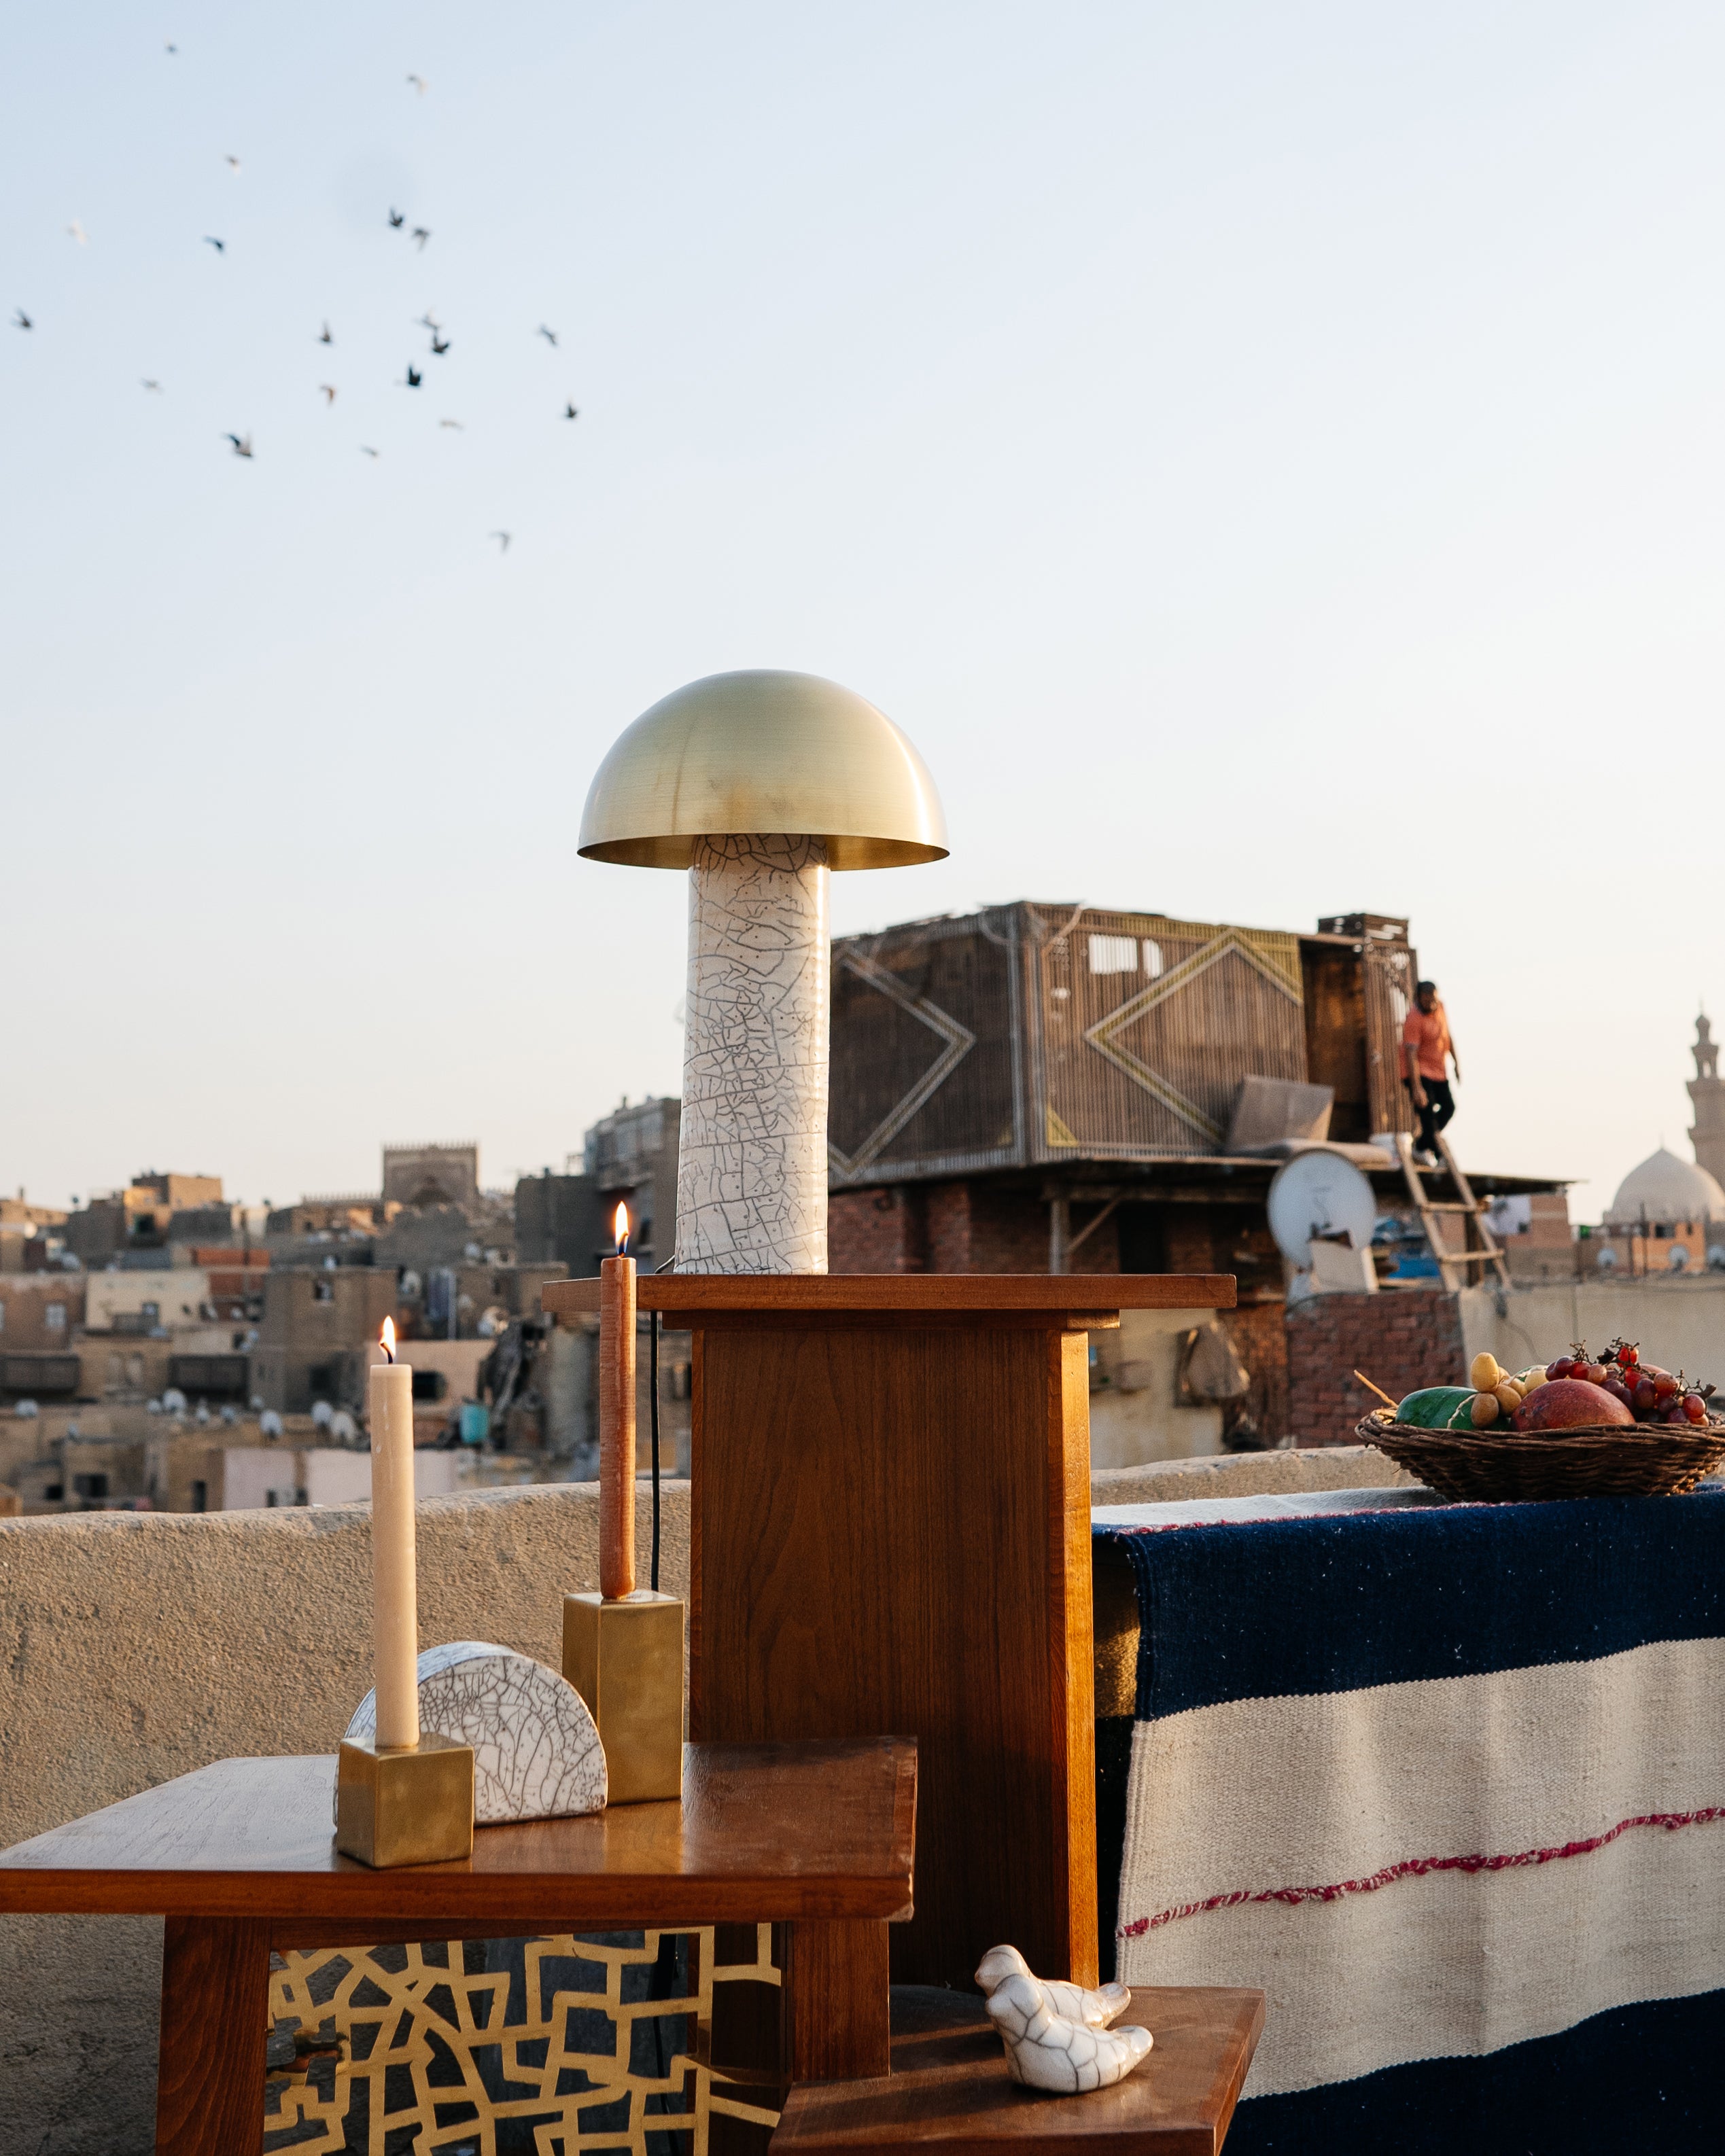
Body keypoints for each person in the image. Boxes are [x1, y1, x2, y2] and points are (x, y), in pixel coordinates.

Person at [1401, 979, 1460, 1165]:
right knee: (1427, 1112)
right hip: (1417, 1071)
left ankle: (1421, 1146)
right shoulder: (1414, 1019)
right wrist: (1417, 1087)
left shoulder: (1440, 1008)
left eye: (1434, 999)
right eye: (1427, 1001)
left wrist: (1456, 1063)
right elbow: (1411, 1054)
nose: (1431, 1004)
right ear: (1419, 998)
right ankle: (1439, 1154)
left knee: (1449, 1107)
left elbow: (1447, 1034)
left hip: (1438, 1071)